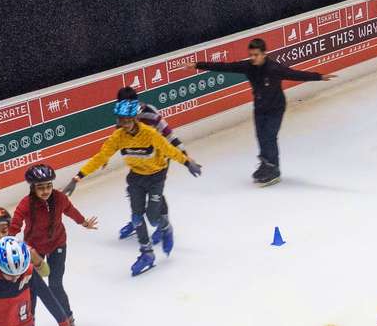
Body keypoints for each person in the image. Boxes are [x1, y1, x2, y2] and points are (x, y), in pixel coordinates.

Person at [63, 98, 202, 276]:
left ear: (135, 118)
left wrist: (187, 162)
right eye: (121, 120)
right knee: (137, 218)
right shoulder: (118, 137)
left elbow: (169, 150)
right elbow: (100, 157)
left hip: (155, 177)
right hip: (136, 178)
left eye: (128, 120)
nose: (125, 124)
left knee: (152, 217)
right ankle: (147, 253)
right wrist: (77, 177)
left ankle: (166, 227)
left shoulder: (150, 134)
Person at [195, 37, 335, 185]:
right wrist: (197, 65)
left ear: (264, 54)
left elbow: (296, 75)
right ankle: (265, 162)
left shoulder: (274, 68)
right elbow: (225, 67)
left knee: (269, 135)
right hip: (260, 107)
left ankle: (274, 168)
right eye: (251, 55)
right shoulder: (248, 66)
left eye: (256, 55)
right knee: (261, 136)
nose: (253, 58)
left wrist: (319, 76)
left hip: (276, 107)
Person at [9, 162, 96, 326]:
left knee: (55, 284)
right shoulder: (25, 204)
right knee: (31, 286)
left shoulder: (59, 198)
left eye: (48, 186)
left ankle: (67, 317)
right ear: (33, 188)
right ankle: (28, 322)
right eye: (41, 187)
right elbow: (15, 225)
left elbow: (70, 210)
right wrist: (6, 243)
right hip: (34, 249)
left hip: (58, 244)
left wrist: (83, 222)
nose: (45, 191)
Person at [107, 87, 190, 239]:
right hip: (138, 159)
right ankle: (136, 219)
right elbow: (118, 136)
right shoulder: (122, 115)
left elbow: (168, 134)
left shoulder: (150, 113)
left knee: (155, 192)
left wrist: (185, 156)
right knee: (134, 190)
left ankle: (162, 224)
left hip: (159, 158)